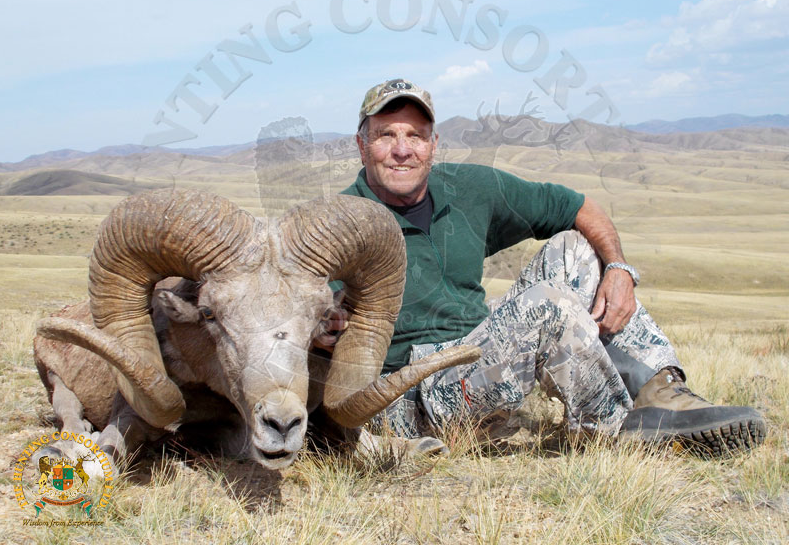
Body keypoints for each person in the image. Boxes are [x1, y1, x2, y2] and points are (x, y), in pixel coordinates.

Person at [316, 78, 765, 457]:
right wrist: (320, 326)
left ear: (433, 145)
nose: (401, 150)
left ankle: (664, 393)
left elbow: (577, 207)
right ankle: (620, 432)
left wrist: (621, 269)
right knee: (545, 306)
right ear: (361, 145)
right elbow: (304, 309)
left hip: (477, 347)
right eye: (385, 135)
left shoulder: (471, 187)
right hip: (413, 393)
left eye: (415, 136)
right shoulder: (339, 222)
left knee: (575, 249)